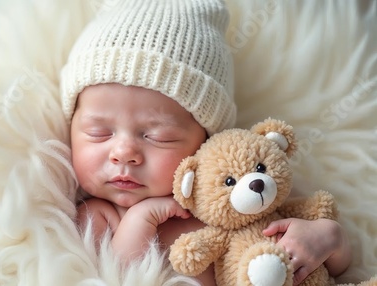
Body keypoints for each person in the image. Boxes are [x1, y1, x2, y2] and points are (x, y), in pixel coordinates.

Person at [59, 0, 351, 285]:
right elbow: (115, 275)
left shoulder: (234, 192)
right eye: (99, 132)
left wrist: (328, 238)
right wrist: (141, 217)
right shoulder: (100, 215)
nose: (124, 153)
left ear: (207, 139)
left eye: (158, 136)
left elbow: (335, 268)